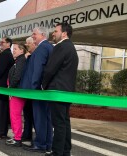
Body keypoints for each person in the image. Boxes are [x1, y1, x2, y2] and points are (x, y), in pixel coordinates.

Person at [43, 23, 78, 156]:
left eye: (56, 31)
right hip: (67, 91)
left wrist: (43, 85)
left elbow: (50, 69)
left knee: (58, 123)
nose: (53, 33)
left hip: (57, 91)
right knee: (64, 121)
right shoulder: (71, 47)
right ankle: (65, 151)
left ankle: (57, 152)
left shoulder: (61, 46)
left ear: (64, 33)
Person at [20, 27, 53, 153]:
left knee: (40, 118)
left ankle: (40, 144)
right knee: (46, 118)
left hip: (38, 90)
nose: (32, 36)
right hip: (44, 90)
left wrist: (34, 87)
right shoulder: (49, 47)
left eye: (34, 34)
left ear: (43, 34)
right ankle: (47, 144)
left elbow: (38, 70)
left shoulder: (42, 48)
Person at [5, 43, 27, 147]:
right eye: (13, 49)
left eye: (16, 49)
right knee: (13, 115)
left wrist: (11, 88)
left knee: (15, 115)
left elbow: (17, 76)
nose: (13, 50)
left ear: (22, 51)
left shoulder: (21, 60)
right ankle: (16, 136)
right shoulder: (18, 60)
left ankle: (17, 138)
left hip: (16, 91)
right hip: (14, 90)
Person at [21, 37, 36, 142]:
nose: (26, 46)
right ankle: (27, 134)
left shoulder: (34, 56)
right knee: (27, 114)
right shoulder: (27, 57)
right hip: (26, 90)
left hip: (33, 90)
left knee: (34, 115)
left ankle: (38, 138)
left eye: (28, 44)